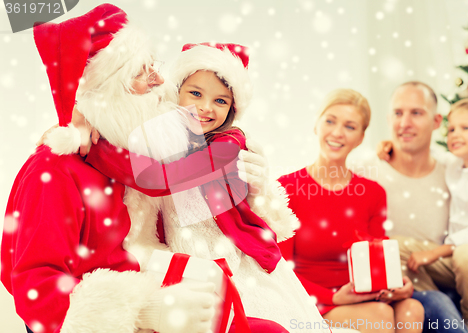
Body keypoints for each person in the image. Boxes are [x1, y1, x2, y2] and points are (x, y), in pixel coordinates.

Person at [1, 5, 273, 333]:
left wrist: (258, 194)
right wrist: (143, 311)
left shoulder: (137, 157)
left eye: (153, 66)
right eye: (143, 72)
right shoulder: (55, 169)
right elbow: (37, 290)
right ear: (110, 90)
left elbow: (183, 222)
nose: (161, 80)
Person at [64, 42, 332, 332]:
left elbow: (160, 180)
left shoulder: (228, 144)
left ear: (232, 109)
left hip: (236, 260)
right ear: (176, 91)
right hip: (184, 260)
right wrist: (87, 121)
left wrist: (94, 149)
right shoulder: (164, 136)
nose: (205, 107)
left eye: (220, 101)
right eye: (195, 93)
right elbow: (126, 134)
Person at [277, 88, 424, 333]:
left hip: (363, 294)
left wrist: (397, 284)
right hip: (314, 298)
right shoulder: (287, 188)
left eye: (350, 126)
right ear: (316, 125)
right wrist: (333, 297)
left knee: (412, 309)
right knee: (379, 316)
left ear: (361, 137)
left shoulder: (373, 193)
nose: (337, 133)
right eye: (330, 121)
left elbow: (379, 258)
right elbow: (280, 268)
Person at [364, 81, 468, 332]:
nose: (405, 123)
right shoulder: (368, 170)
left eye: (416, 113)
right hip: (420, 282)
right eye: (398, 113)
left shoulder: (453, 167)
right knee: (396, 248)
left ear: (436, 121)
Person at [397, 97, 468, 329]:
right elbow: (426, 153)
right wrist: (391, 146)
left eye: (464, 128)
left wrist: (435, 253)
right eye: (451, 128)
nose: (454, 134)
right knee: (395, 247)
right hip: (453, 259)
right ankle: (442, 307)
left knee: (467, 254)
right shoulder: (454, 164)